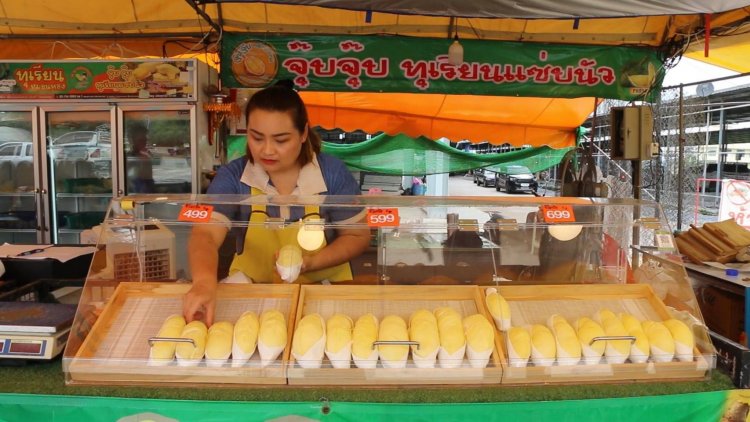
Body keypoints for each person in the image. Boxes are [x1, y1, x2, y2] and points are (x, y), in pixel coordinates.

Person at [183, 83, 370, 325]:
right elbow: (205, 233)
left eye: (281, 140)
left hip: (322, 294)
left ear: (303, 133)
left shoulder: (332, 174)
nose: (267, 150)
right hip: (253, 296)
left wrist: (310, 263)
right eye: (256, 138)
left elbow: (357, 236)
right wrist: (203, 282)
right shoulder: (234, 177)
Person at [126, 123, 155, 193]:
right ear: (132, 140)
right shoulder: (128, 158)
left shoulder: (146, 156)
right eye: (141, 140)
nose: (144, 143)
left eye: (145, 140)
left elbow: (148, 179)